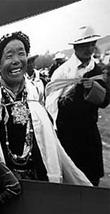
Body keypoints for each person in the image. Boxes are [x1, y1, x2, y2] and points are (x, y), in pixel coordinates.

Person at [0, 31, 92, 185]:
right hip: (4, 188)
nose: (16, 60)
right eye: (9, 56)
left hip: (39, 184)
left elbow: (52, 149)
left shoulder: (36, 105)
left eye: (21, 54)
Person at [45, 26, 110, 186]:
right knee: (71, 178)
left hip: (89, 133)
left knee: (91, 178)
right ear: (75, 47)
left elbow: (105, 101)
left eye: (92, 44)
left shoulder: (97, 70)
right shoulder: (63, 72)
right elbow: (51, 101)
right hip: (67, 134)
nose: (89, 49)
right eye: (84, 45)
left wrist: (94, 89)